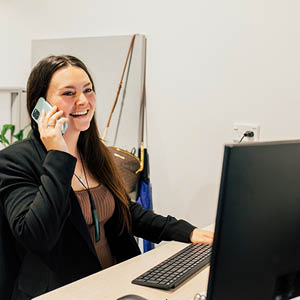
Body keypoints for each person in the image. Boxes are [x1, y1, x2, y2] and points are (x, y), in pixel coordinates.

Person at [0, 55, 213, 300]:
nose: (83, 101)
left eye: (88, 90)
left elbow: (125, 212)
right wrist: (58, 154)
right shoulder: (14, 161)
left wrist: (188, 232)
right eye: (68, 93)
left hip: (116, 281)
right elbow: (38, 236)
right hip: (65, 291)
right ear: (41, 106)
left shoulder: (93, 151)